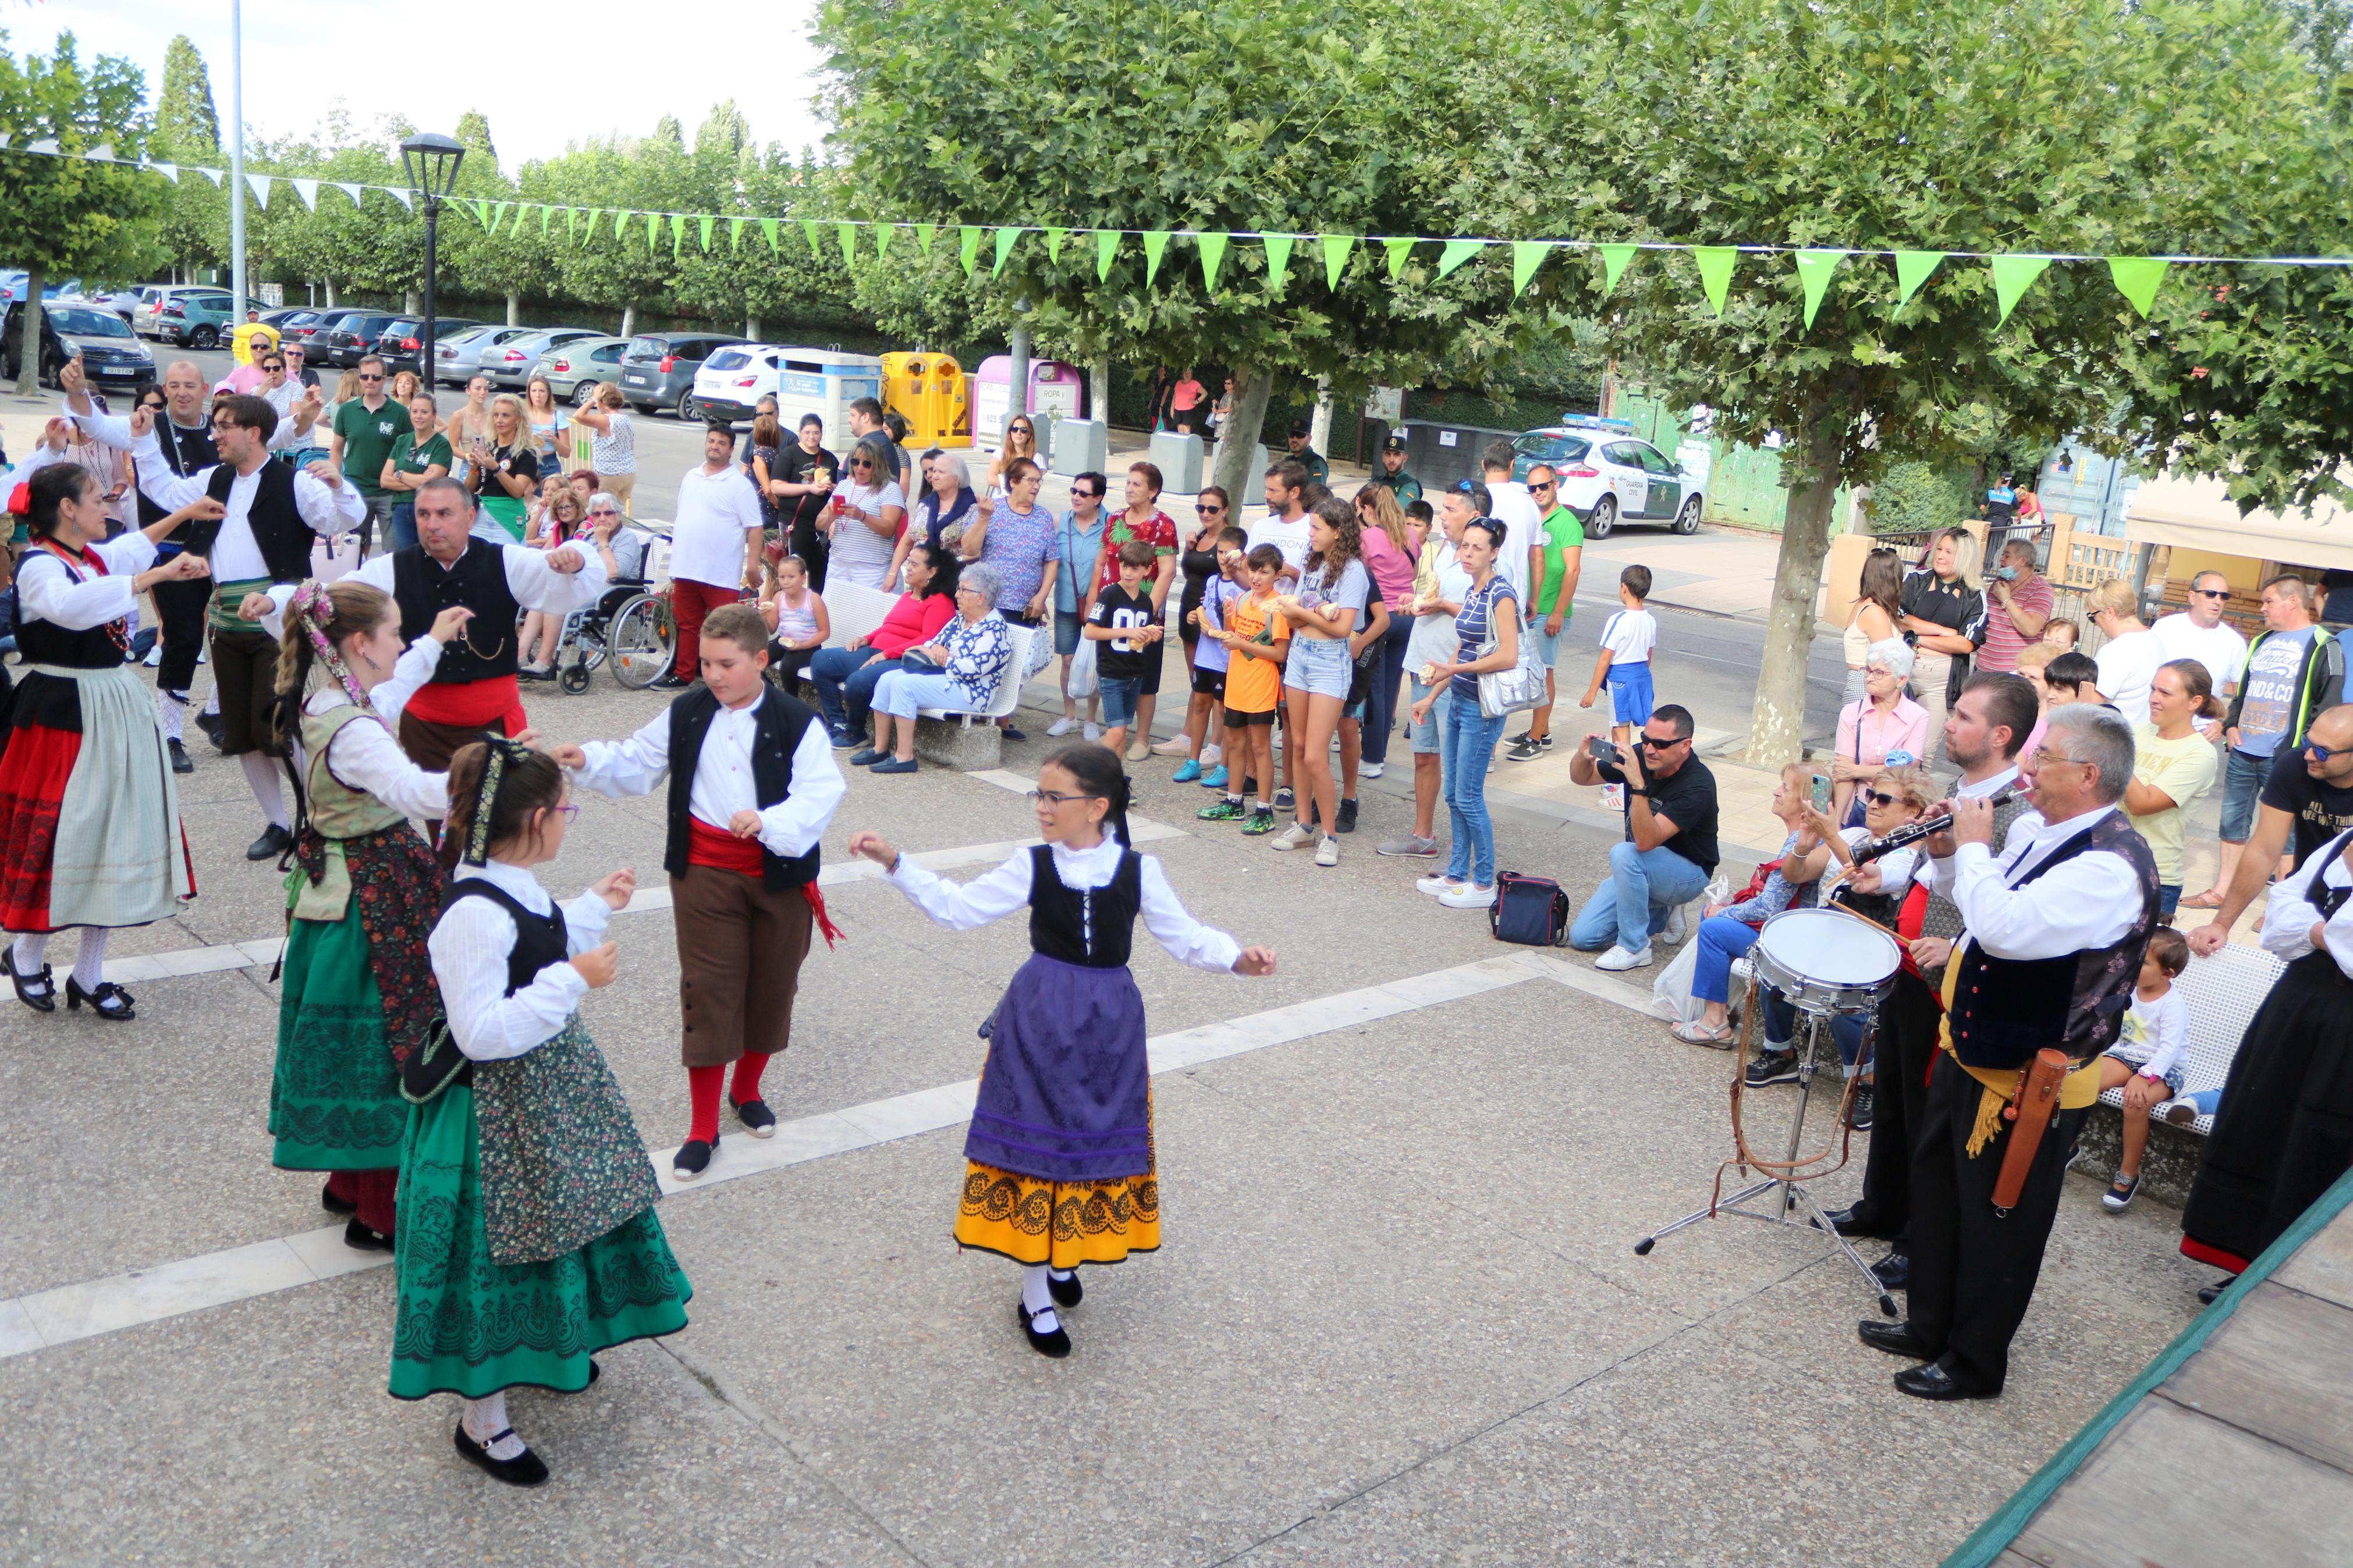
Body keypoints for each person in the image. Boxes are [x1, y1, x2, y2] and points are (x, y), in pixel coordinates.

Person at [850, 742, 1275, 1356]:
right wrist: (896, 862)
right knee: (1036, 1148)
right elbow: (958, 909)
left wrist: (1239, 957)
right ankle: (1034, 1292)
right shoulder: (1032, 864)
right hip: (1038, 1019)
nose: (1041, 807)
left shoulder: (1138, 870)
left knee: (1089, 1140)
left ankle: (1061, 1254)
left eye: (1054, 797)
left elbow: (1185, 937)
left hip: (1109, 1027)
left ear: (1096, 806)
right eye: (1038, 795)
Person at [398, 741, 689, 1485]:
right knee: (495, 1254)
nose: (570, 819)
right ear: (533, 818)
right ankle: (482, 1421)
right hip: (491, 1116)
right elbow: (478, 1032)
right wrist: (572, 978)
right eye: (566, 808)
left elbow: (537, 933)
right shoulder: (471, 913)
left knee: (562, 1223)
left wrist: (591, 908)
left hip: (544, 1094)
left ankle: (555, 1344)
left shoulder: (514, 882)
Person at [1864, 703, 2160, 1402]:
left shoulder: (2109, 868)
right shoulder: (2035, 827)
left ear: (2087, 774)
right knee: (1938, 1197)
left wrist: (1970, 845)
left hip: (2031, 1079)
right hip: (1974, 1049)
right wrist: (1946, 859)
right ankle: (1927, 1326)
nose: (2027, 768)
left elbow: (2001, 929)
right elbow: (1977, 907)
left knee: (1999, 1220)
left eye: (2043, 757)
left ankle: (1973, 1362)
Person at [555, 602, 845, 1178]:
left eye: (726, 664)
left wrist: (771, 821)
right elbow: (637, 760)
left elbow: (820, 793)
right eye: (707, 663)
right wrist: (586, 757)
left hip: (779, 873)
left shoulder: (796, 721)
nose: (713, 675)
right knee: (710, 989)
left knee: (773, 983)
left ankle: (746, 1088)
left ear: (761, 661)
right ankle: (702, 1125)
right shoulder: (688, 710)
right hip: (705, 870)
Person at [266, 579, 464, 1251]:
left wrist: (433, 642)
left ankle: (348, 1181)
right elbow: (413, 789)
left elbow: (391, 691)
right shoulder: (352, 730)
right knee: (390, 1040)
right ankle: (378, 1208)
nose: (400, 643)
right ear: (359, 643)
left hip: (336, 883)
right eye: (395, 633)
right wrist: (494, 769)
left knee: (351, 1040)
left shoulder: (325, 700)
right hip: (375, 893)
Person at [1823, 673, 2038, 1292]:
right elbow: (1935, 874)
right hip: (1913, 968)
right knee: (1892, 1092)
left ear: (1999, 736)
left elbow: (2005, 904)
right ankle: (1879, 1206)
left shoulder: (2015, 812)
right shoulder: (1959, 790)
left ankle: (1918, 1237)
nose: (1947, 722)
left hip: (1956, 979)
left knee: (1929, 1112)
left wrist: (1958, 943)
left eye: (1963, 716)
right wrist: (1915, 864)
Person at [0, 463, 208, 1020]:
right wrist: (157, 579)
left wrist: (183, 516)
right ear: (67, 509)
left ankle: (89, 972)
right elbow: (72, 609)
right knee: (65, 835)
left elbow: (129, 553)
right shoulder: (41, 567)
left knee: (116, 835)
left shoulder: (87, 558)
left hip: (112, 703)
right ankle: (25, 952)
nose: (106, 507)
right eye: (96, 498)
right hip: (64, 708)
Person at [118, 392, 364, 861]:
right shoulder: (216, 478)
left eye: (224, 425)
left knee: (278, 727)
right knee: (241, 733)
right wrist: (146, 442)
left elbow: (344, 518)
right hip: (226, 619)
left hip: (279, 619)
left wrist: (338, 485)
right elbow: (165, 491)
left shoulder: (293, 482)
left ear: (253, 432)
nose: (215, 434)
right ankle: (277, 821)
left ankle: (317, 817)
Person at [343, 478, 607, 792]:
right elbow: (334, 598)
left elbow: (575, 577)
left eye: (444, 513)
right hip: (425, 729)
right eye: (423, 514)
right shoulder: (390, 569)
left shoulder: (504, 560)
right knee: (444, 828)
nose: (432, 524)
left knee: (500, 826)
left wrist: (574, 558)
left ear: (470, 517)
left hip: (496, 724)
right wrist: (276, 602)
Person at [2180, 822, 2353, 1289]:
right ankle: (2248, 1264)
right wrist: (2324, 932)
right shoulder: (2341, 842)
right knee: (2265, 1121)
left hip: (2345, 1024)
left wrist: (2314, 928)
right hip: (2296, 1004)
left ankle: (2296, 1278)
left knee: (2321, 1141)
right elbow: (2278, 917)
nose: (2312, 762)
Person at [63, 359, 214, 762]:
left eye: (190, 385)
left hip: (221, 547)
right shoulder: (148, 425)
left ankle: (217, 712)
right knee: (182, 636)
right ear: (165, 389)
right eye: (175, 385)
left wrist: (302, 420)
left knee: (241, 631)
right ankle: (171, 734)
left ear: (205, 388)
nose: (182, 392)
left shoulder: (221, 427)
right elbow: (96, 426)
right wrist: (78, 392)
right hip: (169, 549)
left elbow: (273, 436)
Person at [2194, 576, 2344, 913]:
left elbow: (2328, 703)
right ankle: (2222, 890)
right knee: (2232, 821)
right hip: (2245, 749)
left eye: (2269, 601)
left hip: (2287, 755)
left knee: (2287, 832)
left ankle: (2279, 905)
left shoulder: (2324, 644)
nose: (2262, 608)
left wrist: (2301, 747)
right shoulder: (2261, 640)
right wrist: (2232, 724)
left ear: (2292, 602)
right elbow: (2244, 691)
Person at [1410, 518, 1522, 906]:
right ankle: (1457, 872)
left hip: (1483, 708)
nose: (1468, 553)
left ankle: (1483, 881)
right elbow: (1460, 651)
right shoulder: (1474, 592)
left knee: (1469, 795)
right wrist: (1430, 696)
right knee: (1455, 795)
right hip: (1458, 699)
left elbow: (1507, 655)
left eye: (1477, 547)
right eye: (1465, 546)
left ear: (1495, 552)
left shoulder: (1500, 595)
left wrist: (1453, 671)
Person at [2187, 703, 2353, 957]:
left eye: (2322, 752)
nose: (2309, 755)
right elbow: (2264, 851)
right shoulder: (2294, 766)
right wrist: (2222, 924)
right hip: (2309, 906)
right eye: (2308, 743)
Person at [1567, 704, 1720, 965]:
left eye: (1660, 744)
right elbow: (1583, 778)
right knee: (1583, 937)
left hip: (1688, 874)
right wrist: (1583, 756)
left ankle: (1635, 947)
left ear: (1685, 745)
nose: (1650, 749)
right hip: (1641, 868)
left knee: (1625, 853)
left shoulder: (1698, 784)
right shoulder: (1642, 756)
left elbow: (1646, 842)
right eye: (1646, 740)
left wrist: (1638, 785)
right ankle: (1660, 912)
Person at [1375, 493, 1474, 860]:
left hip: (1457, 673)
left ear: (1474, 514)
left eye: (1450, 510)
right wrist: (1413, 602)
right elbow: (1431, 596)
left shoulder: (1485, 560)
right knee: (1424, 756)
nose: (1442, 516)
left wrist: (1441, 605)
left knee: (1458, 766)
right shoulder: (1443, 551)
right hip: (1423, 666)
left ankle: (1461, 849)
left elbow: (1493, 618)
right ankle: (1424, 836)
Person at [863, 566, 1014, 775]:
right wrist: (936, 649)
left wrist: (945, 658)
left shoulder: (995, 630)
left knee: (903, 685)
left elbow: (972, 669)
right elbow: (933, 643)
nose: (957, 595)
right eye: (959, 589)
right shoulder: (960, 619)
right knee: (887, 678)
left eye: (963, 590)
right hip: (947, 680)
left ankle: (904, 757)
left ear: (981, 598)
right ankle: (880, 748)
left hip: (971, 693)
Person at [810, 543, 960, 745]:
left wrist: (887, 653)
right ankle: (838, 723)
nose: (908, 568)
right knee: (820, 661)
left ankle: (856, 731)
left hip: (901, 659)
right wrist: (867, 638)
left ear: (932, 571)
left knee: (858, 682)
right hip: (876, 651)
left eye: (914, 565)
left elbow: (928, 639)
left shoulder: (940, 602)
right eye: (909, 563)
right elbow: (890, 626)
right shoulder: (908, 596)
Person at [2095, 926, 2192, 1213]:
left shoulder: (2172, 1005)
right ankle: (2068, 1145)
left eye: (2145, 962)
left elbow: (2169, 1049)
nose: (2135, 964)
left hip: (2165, 1068)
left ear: (2167, 974)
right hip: (2126, 1055)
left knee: (2136, 1103)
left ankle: (2128, 1173)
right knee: (2084, 1082)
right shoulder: (2128, 988)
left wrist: (2146, 1075)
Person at [662, 424, 766, 690]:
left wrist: (752, 565)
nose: (715, 446)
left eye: (721, 443)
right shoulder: (691, 476)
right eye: (711, 441)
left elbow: (754, 528)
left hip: (720, 571)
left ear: (731, 450)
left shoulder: (739, 485)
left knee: (724, 629)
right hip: (687, 566)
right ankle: (684, 673)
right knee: (687, 624)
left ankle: (726, 678)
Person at [1195, 545, 1290, 835]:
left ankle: (1264, 809)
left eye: (1265, 572)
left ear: (1277, 574)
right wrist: (1225, 619)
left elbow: (1279, 654)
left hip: (1261, 685)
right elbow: (1231, 638)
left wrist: (1242, 644)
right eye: (1253, 570)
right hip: (1236, 682)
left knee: (1260, 748)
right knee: (1234, 743)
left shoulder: (1278, 607)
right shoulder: (1244, 598)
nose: (1257, 577)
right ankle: (1234, 802)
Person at [2125, 660, 2223, 922]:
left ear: (2194, 702)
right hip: (2107, 865)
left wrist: (2111, 754)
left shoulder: (2199, 754)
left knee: (2140, 963)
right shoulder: (2135, 733)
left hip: (2152, 877)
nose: (2154, 699)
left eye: (2165, 693)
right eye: (2153, 689)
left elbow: (2142, 803)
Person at [1499, 463, 1583, 762]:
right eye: (1531, 488)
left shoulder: (1567, 522)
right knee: (1533, 670)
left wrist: (1559, 612)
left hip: (1550, 609)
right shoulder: (1533, 516)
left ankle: (1535, 739)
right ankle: (1541, 731)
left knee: (1543, 671)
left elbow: (1572, 569)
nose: (1537, 493)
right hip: (1531, 608)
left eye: (1542, 486)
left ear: (1555, 485)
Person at [1900, 528, 1988, 769]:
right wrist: (1943, 631)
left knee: (1921, 754)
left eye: (1949, 552)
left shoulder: (1974, 594)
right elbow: (1900, 617)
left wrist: (1918, 639)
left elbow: (1966, 643)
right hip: (1903, 672)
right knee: (1893, 746)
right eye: (1939, 549)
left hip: (1940, 683)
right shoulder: (1916, 580)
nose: (1941, 556)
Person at [1353, 481, 1420, 780]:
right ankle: (1378, 752)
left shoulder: (1367, 538)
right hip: (1407, 618)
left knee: (1372, 689)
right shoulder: (1411, 536)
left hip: (1378, 619)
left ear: (1368, 509)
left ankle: (1371, 756)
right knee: (1391, 687)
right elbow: (1414, 572)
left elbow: (1359, 575)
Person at [1166, 485, 1235, 770]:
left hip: (1216, 618)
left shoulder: (1229, 541)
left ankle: (1216, 745)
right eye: (1200, 508)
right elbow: (1190, 571)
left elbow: (1234, 578)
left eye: (1212, 509)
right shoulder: (1202, 535)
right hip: (1191, 611)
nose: (1205, 514)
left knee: (1219, 687)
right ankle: (1189, 735)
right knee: (1197, 679)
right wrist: (1190, 549)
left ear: (1226, 511)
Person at [1827, 639, 1930, 822]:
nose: (1869, 677)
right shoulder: (1851, 713)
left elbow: (1906, 771)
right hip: (1859, 805)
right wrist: (1837, 820)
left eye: (1879, 673)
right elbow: (1842, 773)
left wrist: (1855, 771)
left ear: (1901, 680)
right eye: (1868, 670)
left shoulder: (1917, 716)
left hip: (1895, 809)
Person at [960, 455, 1058, 637]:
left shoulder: (1044, 517)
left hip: (1025, 608)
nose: (1036, 486)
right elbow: (969, 549)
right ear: (1013, 481)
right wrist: (983, 517)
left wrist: (1041, 597)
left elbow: (1051, 561)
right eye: (1031, 481)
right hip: (988, 604)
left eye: (1039, 481)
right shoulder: (991, 509)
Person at [1182, 526, 1248, 791]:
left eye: (1228, 552)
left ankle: (1224, 763)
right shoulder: (1212, 581)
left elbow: (1238, 624)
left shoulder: (1242, 587)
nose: (1223, 557)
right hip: (1205, 655)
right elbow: (1205, 610)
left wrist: (1220, 628)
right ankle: (1193, 760)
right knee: (1200, 703)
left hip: (1226, 659)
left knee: (1223, 710)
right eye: (1220, 552)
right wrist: (1195, 618)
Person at [1047, 471, 1110, 741]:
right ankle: (1069, 716)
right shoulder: (1060, 521)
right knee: (1068, 661)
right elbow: (1048, 562)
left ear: (1098, 498)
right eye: (1074, 491)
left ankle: (1091, 720)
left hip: (1098, 605)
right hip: (1066, 601)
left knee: (1093, 662)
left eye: (1083, 493)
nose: (1076, 497)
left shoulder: (1111, 524)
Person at [1087, 542, 1163, 760]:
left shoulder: (1146, 602)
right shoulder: (1109, 594)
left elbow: (1138, 641)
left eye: (1135, 568)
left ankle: (1116, 781)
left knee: (1122, 731)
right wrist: (1127, 631)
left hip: (1134, 674)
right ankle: (1093, 775)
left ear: (1147, 570)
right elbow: (1091, 632)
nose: (1128, 573)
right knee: (1116, 730)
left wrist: (1149, 637)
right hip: (1111, 672)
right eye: (1124, 566)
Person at [329, 355, 404, 557]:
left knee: (393, 550)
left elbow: (408, 452)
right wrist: (335, 481)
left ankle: (392, 587)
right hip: (356, 489)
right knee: (356, 548)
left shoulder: (400, 413)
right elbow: (336, 449)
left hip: (389, 491)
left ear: (385, 379)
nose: (370, 381)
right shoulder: (347, 410)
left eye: (376, 377)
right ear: (360, 379)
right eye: (365, 377)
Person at [2150, 570, 2248, 720]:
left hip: (2203, 733)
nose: (2217, 601)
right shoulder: (2165, 628)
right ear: (2192, 597)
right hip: (2159, 726)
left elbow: (2239, 694)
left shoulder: (2235, 642)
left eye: (2224, 596)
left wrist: (2223, 723)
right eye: (2210, 594)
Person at [514, 489, 590, 681]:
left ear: (577, 506)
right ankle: (521, 654)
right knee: (538, 603)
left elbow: (575, 557)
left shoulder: (586, 527)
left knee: (552, 601)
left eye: (568, 507)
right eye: (559, 508)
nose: (564, 511)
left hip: (583, 580)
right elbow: (548, 553)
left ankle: (545, 659)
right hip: (563, 580)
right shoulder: (559, 528)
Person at [1581, 566, 1658, 749]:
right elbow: (1649, 654)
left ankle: (1624, 768)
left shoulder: (1619, 620)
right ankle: (1627, 764)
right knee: (1630, 722)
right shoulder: (1650, 620)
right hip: (1642, 676)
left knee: (1620, 727)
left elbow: (1605, 658)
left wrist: (1592, 692)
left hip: (1621, 678)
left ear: (1624, 587)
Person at [460, 394, 542, 543]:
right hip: (480, 514)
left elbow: (518, 492)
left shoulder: (527, 452)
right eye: (496, 415)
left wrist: (496, 468)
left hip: (507, 517)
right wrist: (474, 468)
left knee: (507, 564)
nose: (499, 420)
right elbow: (469, 489)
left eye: (505, 416)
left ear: (518, 419)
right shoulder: (488, 447)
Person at [826, 438, 907, 591]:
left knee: (866, 612)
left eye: (867, 464)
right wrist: (830, 518)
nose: (860, 468)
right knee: (835, 611)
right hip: (839, 562)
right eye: (855, 462)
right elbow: (819, 522)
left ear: (878, 466)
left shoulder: (890, 489)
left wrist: (862, 516)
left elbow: (889, 529)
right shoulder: (843, 486)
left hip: (871, 568)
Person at [379, 389, 450, 556]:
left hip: (428, 510)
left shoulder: (441, 445)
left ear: (434, 416)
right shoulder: (402, 440)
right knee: (407, 561)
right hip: (401, 510)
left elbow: (430, 483)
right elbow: (384, 480)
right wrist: (418, 481)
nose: (419, 416)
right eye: (415, 411)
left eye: (424, 412)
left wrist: (400, 474)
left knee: (431, 558)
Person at [774, 414, 839, 591]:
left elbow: (840, 487)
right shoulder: (789, 455)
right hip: (795, 524)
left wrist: (831, 487)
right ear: (800, 433)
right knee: (794, 571)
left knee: (821, 571)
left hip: (821, 525)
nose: (812, 437)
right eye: (807, 432)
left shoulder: (829, 458)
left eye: (816, 433)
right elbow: (776, 487)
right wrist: (809, 488)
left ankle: (817, 606)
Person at [2086, 578, 2162, 721]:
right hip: (2146, 732)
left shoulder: (2115, 651)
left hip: (2118, 734)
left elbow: (2090, 704)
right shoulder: (2156, 641)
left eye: (2093, 617)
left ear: (2109, 612)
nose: (2095, 624)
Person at [1976, 539, 2054, 675]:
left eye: (2007, 556)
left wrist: (2006, 599)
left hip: (2015, 671)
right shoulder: (2000, 583)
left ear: (2023, 561)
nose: (2001, 559)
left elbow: (2031, 629)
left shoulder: (2041, 589)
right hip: (1984, 666)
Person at [758, 553, 829, 691]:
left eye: (791, 577)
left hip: (808, 646)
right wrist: (764, 617)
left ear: (803, 578)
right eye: (782, 577)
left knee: (788, 667)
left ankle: (791, 702)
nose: (786, 581)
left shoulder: (813, 599)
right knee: (757, 656)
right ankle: (770, 691)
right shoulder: (779, 597)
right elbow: (772, 629)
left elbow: (825, 632)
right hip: (784, 641)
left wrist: (801, 646)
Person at [1478, 440, 1538, 599]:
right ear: (1512, 464)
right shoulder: (1530, 503)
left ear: (1483, 464)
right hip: (1515, 596)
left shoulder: (1472, 499)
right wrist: (1534, 600)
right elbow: (1537, 558)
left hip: (1475, 595)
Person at [569, 383, 637, 514]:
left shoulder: (607, 420)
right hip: (629, 473)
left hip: (609, 474)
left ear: (603, 401)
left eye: (597, 401)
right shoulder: (625, 419)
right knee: (616, 513)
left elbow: (578, 416)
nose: (595, 405)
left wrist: (593, 399)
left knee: (603, 512)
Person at [984, 413, 1039, 502]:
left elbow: (1033, 484)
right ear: (1010, 433)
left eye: (1024, 430)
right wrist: (1019, 483)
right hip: (999, 502)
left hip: (1024, 503)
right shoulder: (1000, 453)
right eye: (1015, 429)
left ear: (1029, 435)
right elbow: (991, 479)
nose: (1019, 433)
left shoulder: (1037, 458)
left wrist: (1004, 480)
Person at [1367, 432, 1422, 509]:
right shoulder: (1376, 480)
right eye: (1388, 454)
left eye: (1396, 455)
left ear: (1405, 458)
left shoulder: (1410, 485)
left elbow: (1396, 513)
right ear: (1383, 457)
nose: (1391, 460)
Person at [521, 375, 569, 463]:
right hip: (525, 462)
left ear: (548, 393)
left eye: (542, 391)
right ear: (529, 393)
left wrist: (554, 440)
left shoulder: (557, 416)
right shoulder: (522, 415)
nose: (538, 395)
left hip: (549, 464)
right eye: (534, 391)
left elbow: (566, 453)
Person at [1168, 370, 1206, 435]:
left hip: (1188, 409)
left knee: (1186, 428)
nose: (1187, 374)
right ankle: (1180, 443)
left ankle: (1186, 443)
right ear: (1183, 375)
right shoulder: (1178, 383)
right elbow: (1175, 396)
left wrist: (1197, 401)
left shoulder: (1195, 384)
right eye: (1185, 373)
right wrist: (1172, 410)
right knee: (1180, 427)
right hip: (1178, 409)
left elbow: (1205, 393)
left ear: (1191, 375)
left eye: (1189, 373)